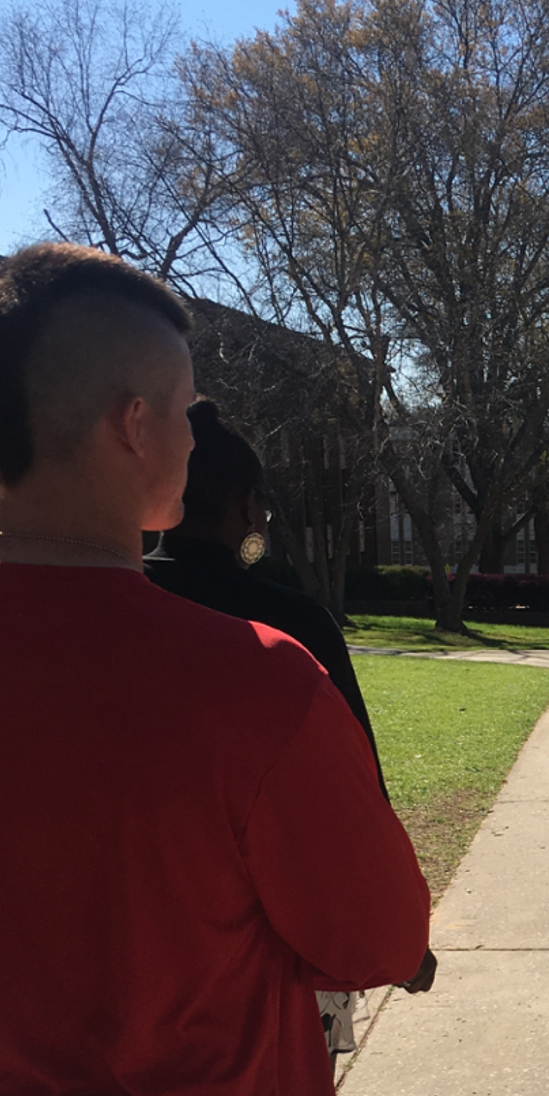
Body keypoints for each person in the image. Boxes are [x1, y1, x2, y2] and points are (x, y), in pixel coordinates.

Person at [0, 243, 431, 1096]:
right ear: (133, 421)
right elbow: (375, 934)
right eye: (190, 410)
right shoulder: (251, 684)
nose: (199, 447)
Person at [144, 395, 438, 1053]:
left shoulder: (116, 607)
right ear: (247, 506)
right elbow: (355, 789)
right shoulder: (290, 623)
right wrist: (400, 945)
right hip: (272, 948)